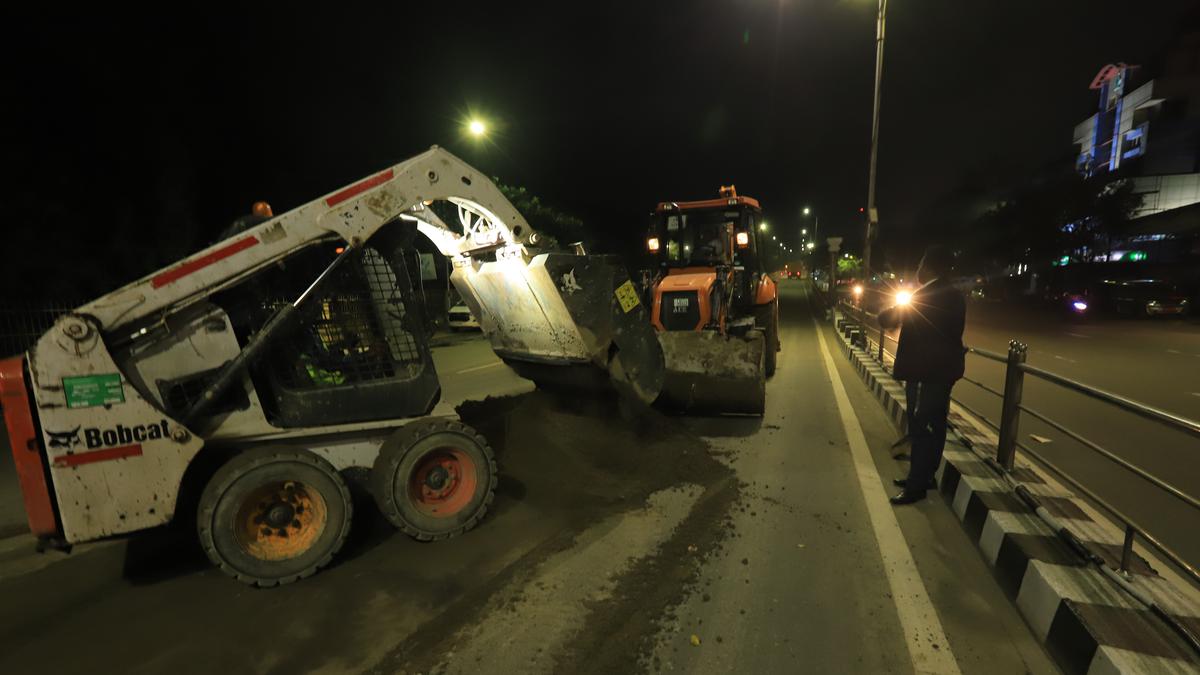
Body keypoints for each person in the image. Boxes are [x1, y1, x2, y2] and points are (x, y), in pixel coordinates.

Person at [877, 245, 966, 505]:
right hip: (943, 371)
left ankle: (915, 486)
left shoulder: (926, 295)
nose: (917, 270)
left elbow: (887, 319)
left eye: (920, 265)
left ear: (929, 267)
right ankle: (926, 476)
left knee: (921, 427)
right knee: (936, 425)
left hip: (926, 372)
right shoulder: (955, 295)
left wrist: (893, 306)